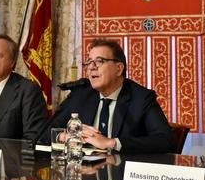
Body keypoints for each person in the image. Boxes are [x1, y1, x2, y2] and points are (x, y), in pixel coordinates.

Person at [42, 38, 173, 154]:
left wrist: (111, 143)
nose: (91, 67)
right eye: (89, 62)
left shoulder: (141, 98)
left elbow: (165, 140)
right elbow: (44, 133)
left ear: (119, 69)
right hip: (85, 171)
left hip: (121, 170)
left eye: (99, 61)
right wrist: (66, 136)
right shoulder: (80, 94)